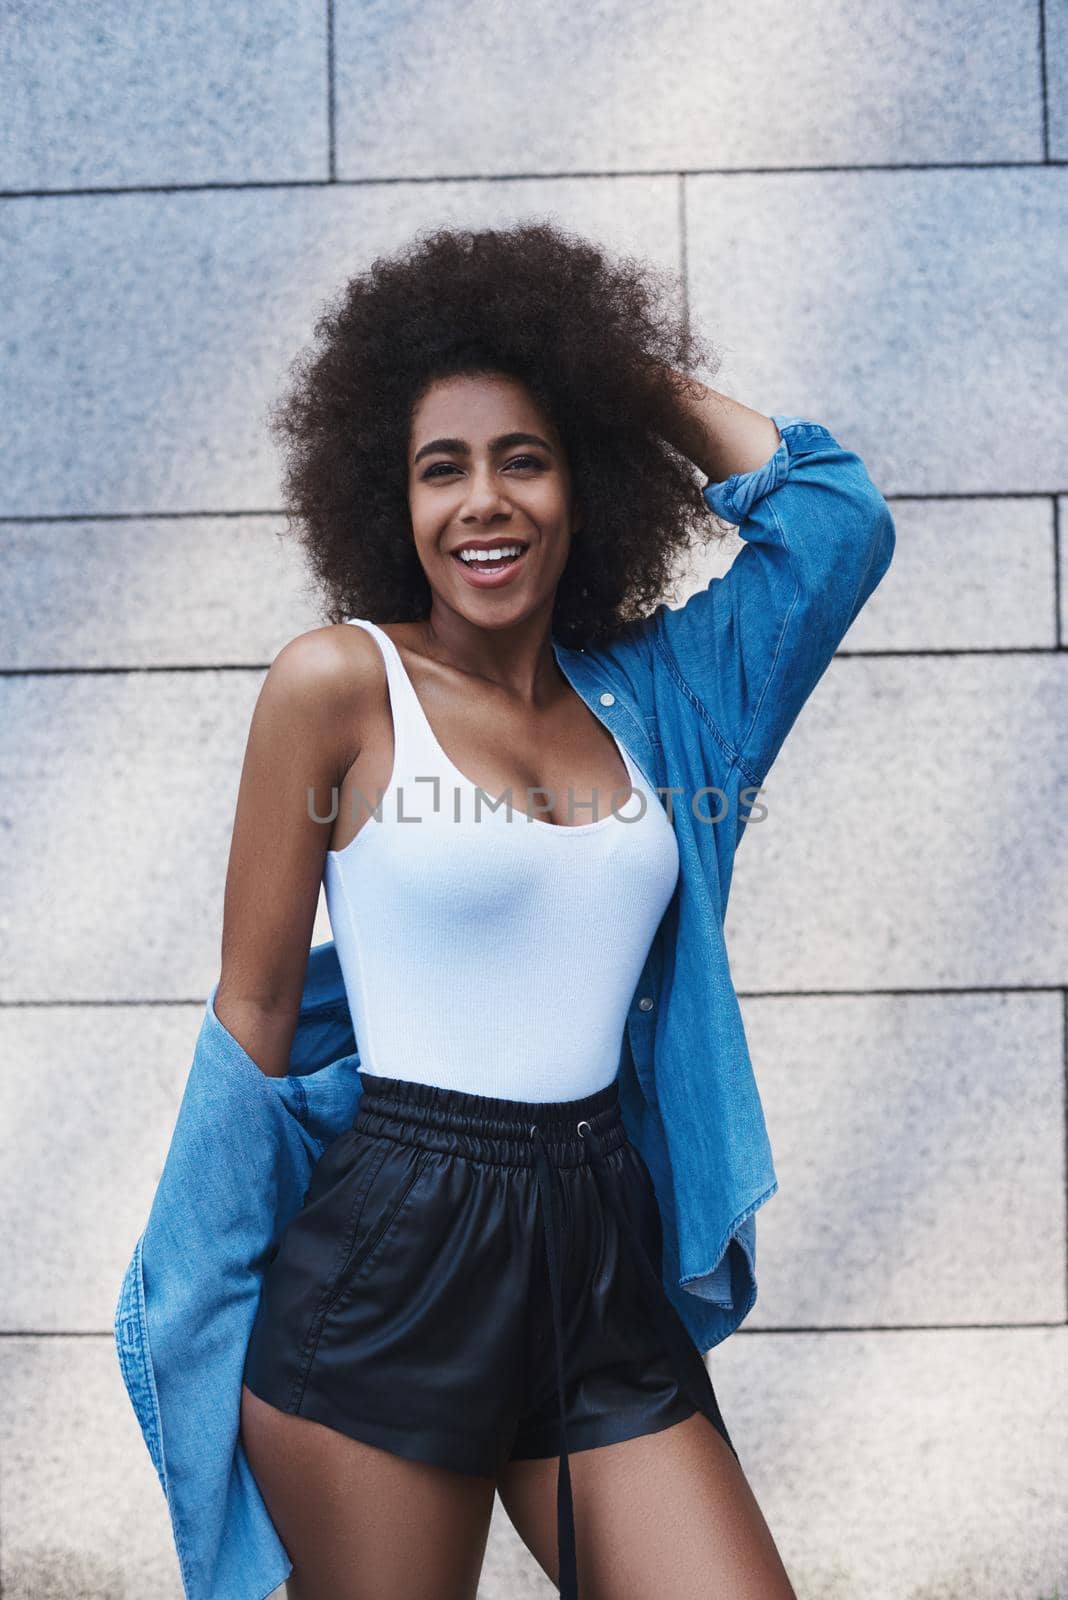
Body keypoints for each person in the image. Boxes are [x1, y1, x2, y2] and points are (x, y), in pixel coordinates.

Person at [217, 220, 893, 1600]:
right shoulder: (337, 686)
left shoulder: (663, 702)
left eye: (526, 455)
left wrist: (613, 375)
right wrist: (203, 1296)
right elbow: (257, 1011)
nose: (486, 501)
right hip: (393, 1256)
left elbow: (835, 522)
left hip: (595, 1243)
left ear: (581, 483)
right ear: (386, 499)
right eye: (441, 467)